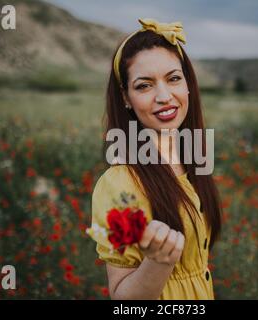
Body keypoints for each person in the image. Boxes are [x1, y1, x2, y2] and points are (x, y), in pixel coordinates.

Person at [89, 18, 222, 300]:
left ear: (188, 84)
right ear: (126, 98)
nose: (164, 96)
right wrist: (158, 261)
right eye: (144, 86)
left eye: (173, 78)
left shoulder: (192, 160)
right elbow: (123, 299)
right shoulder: (119, 185)